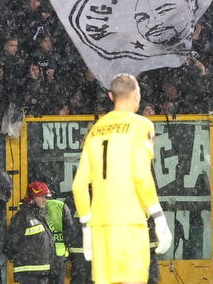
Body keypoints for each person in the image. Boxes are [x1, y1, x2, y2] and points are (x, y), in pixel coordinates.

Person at [71, 73, 172, 284]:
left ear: (110, 96)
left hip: (99, 226)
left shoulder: (95, 130)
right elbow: (141, 176)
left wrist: (86, 227)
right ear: (136, 95)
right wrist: (159, 219)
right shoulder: (141, 126)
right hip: (129, 223)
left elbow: (79, 185)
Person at [26, 180, 76, 284]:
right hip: (58, 256)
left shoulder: (32, 206)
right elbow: (70, 232)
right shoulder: (61, 206)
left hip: (39, 258)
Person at [7, 184, 55, 284]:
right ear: (32, 198)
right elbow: (12, 243)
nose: (44, 200)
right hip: (29, 273)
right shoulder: (22, 217)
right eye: (41, 196)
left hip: (41, 271)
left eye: (45, 197)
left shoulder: (39, 216)